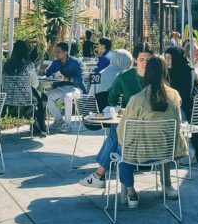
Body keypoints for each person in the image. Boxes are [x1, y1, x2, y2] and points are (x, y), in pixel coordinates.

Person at [78, 54, 186, 207]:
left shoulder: (137, 99)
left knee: (121, 145)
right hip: (167, 152)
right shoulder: (175, 95)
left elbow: (123, 133)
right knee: (123, 143)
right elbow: (177, 123)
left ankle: (130, 192)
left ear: (147, 73)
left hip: (141, 155)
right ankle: (163, 185)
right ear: (165, 72)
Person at [5, 39, 46, 137]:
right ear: (26, 51)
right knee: (43, 98)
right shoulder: (28, 65)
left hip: (9, 98)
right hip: (26, 99)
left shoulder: (6, 65)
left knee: (37, 98)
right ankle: (40, 125)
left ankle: (35, 123)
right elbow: (35, 84)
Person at [43, 41, 86, 131]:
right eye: (55, 52)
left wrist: (66, 78)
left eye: (58, 52)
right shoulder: (56, 63)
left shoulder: (75, 62)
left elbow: (80, 79)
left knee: (67, 97)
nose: (56, 54)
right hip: (62, 87)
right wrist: (45, 71)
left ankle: (67, 124)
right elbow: (48, 74)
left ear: (65, 52)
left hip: (76, 88)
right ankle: (59, 120)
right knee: (46, 97)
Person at [164, 45, 197, 119]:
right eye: (165, 58)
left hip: (188, 107)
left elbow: (187, 93)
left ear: (176, 57)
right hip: (173, 104)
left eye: (169, 58)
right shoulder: (169, 70)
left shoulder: (188, 70)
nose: (167, 61)